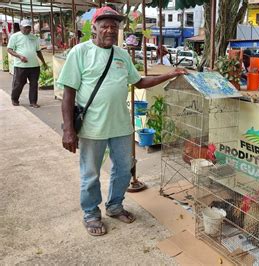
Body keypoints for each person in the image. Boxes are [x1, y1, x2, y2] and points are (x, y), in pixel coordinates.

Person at [57, 7, 187, 236]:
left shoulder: (122, 55)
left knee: (124, 170)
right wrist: (68, 130)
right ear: (94, 28)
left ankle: (115, 206)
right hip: (91, 128)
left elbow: (139, 82)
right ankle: (91, 214)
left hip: (121, 127)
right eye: (105, 26)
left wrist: (169, 74)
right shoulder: (79, 52)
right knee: (90, 174)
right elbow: (68, 94)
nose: (109, 30)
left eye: (114, 27)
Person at [7, 19, 47, 108]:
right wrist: (19, 56)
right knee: (19, 84)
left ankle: (33, 102)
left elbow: (38, 51)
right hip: (21, 66)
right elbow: (9, 49)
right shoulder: (15, 36)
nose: (27, 30)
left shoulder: (34, 37)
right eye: (25, 28)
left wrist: (43, 62)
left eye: (29, 28)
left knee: (34, 84)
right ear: (21, 27)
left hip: (34, 66)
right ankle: (14, 99)